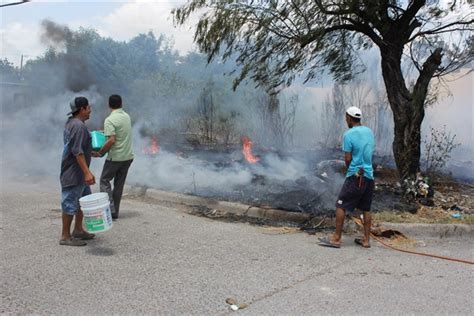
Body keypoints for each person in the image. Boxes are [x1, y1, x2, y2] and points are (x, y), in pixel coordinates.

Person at [319, 106, 375, 249]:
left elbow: (348, 159)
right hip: (369, 175)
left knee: (340, 205)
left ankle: (336, 239)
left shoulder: (348, 134)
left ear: (349, 118)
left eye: (346, 118)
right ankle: (366, 240)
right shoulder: (369, 132)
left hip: (356, 176)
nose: (346, 120)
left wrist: (352, 169)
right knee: (366, 209)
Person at [60, 96, 96, 246]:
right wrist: (87, 172)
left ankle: (78, 230)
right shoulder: (79, 126)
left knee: (83, 202)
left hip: (79, 173)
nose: (90, 111)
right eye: (88, 108)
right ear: (82, 109)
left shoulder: (72, 123)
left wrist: (92, 153)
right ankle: (65, 236)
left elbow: (78, 146)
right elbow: (77, 152)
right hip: (74, 173)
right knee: (70, 202)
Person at [93, 95, 133, 219]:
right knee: (119, 185)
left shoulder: (109, 120)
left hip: (115, 157)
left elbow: (111, 140)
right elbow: (119, 133)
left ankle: (108, 210)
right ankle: (115, 212)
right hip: (128, 157)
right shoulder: (126, 116)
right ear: (121, 103)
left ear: (109, 105)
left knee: (104, 180)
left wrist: (100, 153)